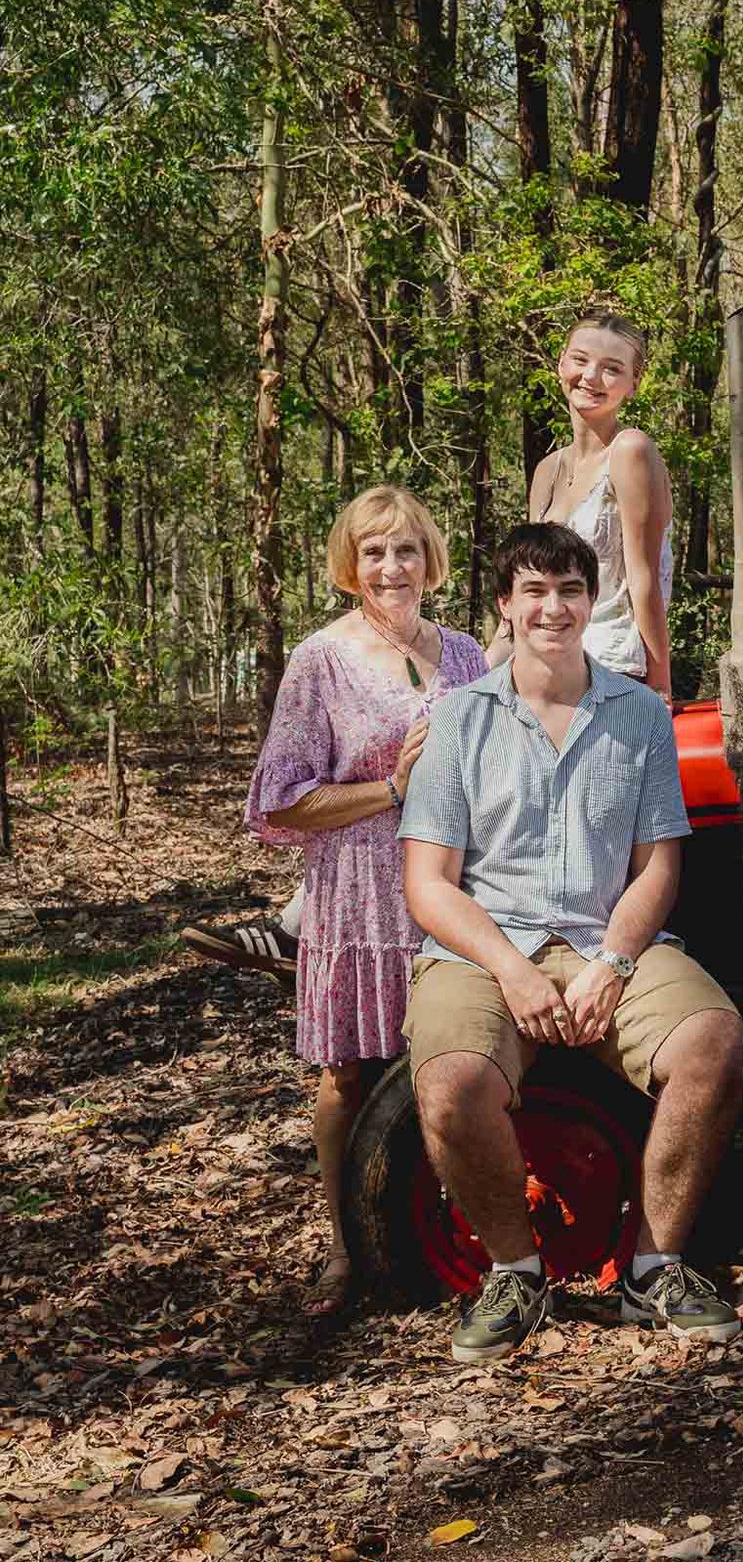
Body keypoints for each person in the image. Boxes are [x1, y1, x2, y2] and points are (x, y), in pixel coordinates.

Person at [400, 523, 743, 1363]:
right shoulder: (459, 719)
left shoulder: (639, 716)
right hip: (486, 952)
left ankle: (655, 1266)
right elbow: (429, 883)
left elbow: (659, 864)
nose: (552, 607)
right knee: (449, 1082)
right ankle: (515, 1273)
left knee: (714, 1040)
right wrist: (514, 971)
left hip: (607, 939)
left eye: (570, 590)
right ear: (504, 606)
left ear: (593, 603)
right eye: (533, 590)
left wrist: (614, 962)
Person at [242, 487, 489, 1316]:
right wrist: (390, 786)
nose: (392, 566)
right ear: (351, 564)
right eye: (375, 551)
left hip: (454, 883)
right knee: (350, 1072)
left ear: (431, 558)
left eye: (407, 549)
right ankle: (346, 1251)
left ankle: (448, 1235)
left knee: (451, 1057)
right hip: (357, 890)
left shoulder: (464, 654)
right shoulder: (322, 658)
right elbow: (279, 799)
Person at [496, 311, 675, 697]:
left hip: (612, 669)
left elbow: (644, 580)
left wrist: (659, 689)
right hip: (542, 667)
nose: (591, 377)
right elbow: (526, 581)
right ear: (561, 363)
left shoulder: (630, 450)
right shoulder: (548, 470)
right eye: (580, 360)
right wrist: (483, 665)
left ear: (634, 383)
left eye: (611, 369)